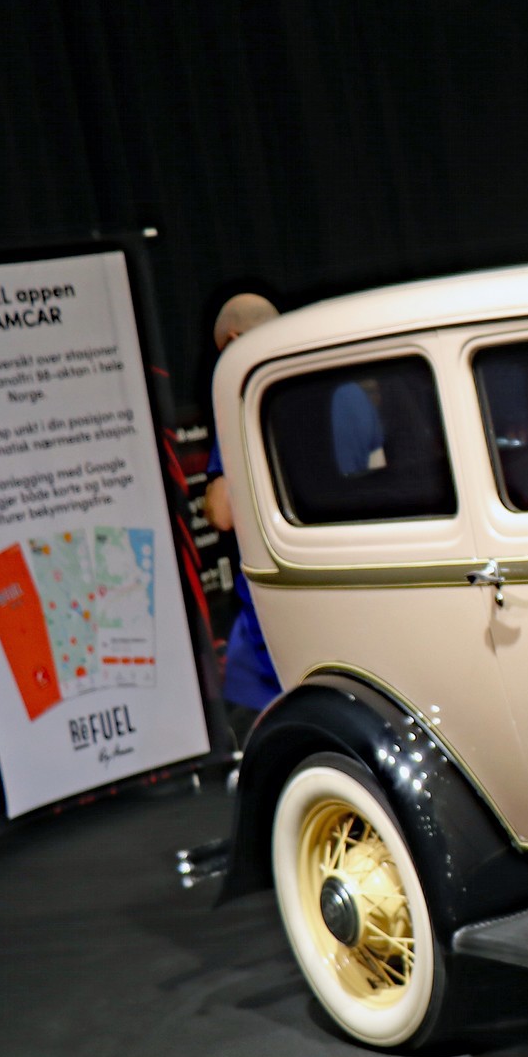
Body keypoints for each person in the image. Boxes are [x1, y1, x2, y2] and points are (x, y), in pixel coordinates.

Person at [201, 292, 282, 739]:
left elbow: (222, 513)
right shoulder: (337, 385)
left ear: (233, 341)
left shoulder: (244, 404)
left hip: (272, 599)